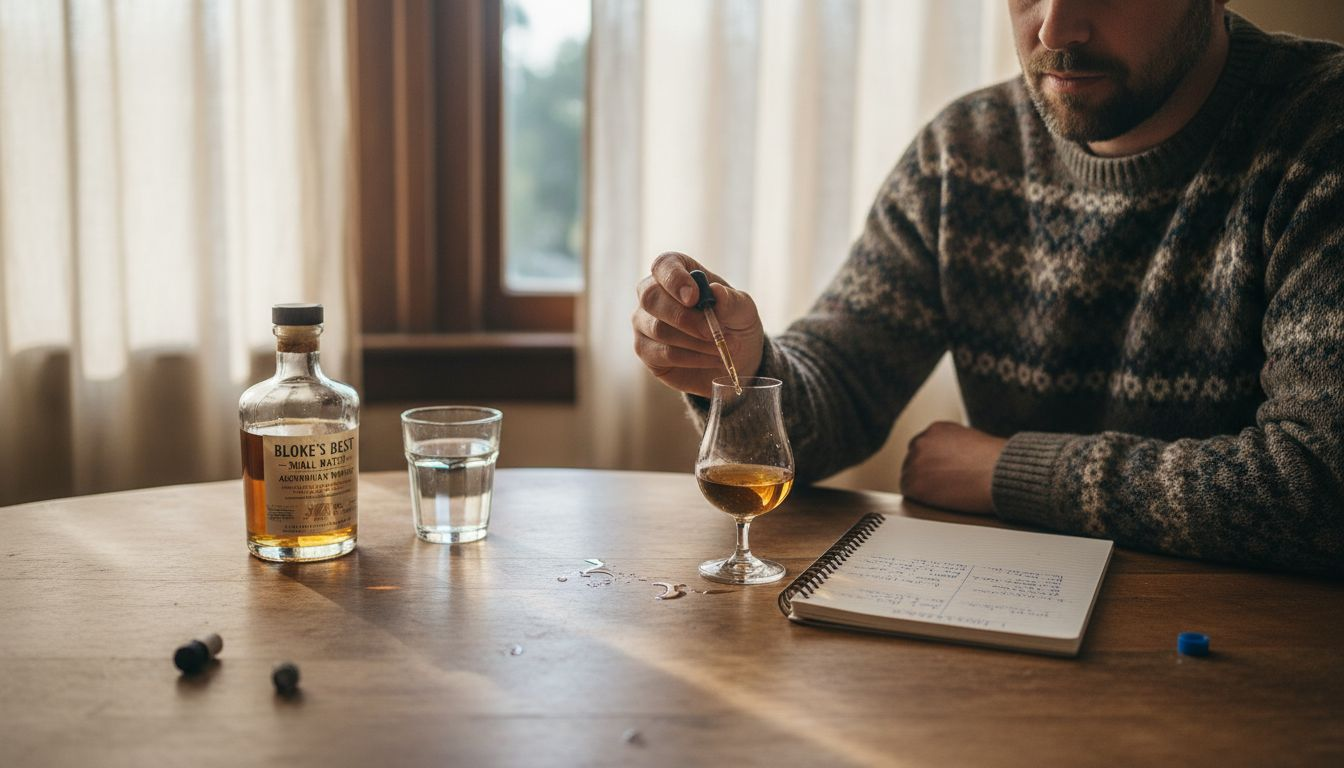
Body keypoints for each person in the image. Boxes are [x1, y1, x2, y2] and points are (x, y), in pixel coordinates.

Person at [631, 0, 1344, 576]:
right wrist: (748, 367)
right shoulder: (966, 152)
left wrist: (1010, 470)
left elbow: (1319, 488)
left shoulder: (1321, 132)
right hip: (1013, 636)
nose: (1056, 27)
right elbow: (836, 394)